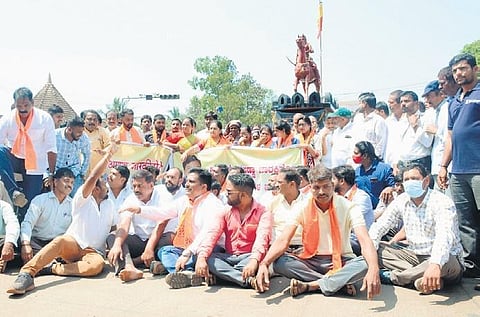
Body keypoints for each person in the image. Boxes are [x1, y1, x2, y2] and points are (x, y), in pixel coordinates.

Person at [254, 165, 381, 299]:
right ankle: (337, 283)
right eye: (316, 187)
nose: (321, 192)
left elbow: (365, 240)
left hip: (341, 259)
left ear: (333, 185)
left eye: (326, 186)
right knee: (280, 262)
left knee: (366, 264)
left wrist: (374, 268)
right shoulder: (302, 207)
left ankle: (312, 285)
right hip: (310, 260)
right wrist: (264, 263)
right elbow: (283, 239)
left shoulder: (348, 207)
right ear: (310, 187)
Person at [7, 144, 118, 295]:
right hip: (73, 245)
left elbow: (113, 229)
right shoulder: (81, 199)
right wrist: (108, 155)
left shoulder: (110, 204)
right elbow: (93, 177)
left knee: (95, 267)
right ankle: (26, 274)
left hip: (94, 252)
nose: (107, 185)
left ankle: (52, 268)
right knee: (60, 241)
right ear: (95, 188)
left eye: (72, 182)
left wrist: (114, 247)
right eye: (104, 183)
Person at [119, 168, 225, 289]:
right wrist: (139, 209)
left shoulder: (212, 204)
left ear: (203, 187)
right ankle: (188, 274)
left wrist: (187, 253)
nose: (187, 184)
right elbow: (162, 213)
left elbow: (205, 235)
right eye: (187, 181)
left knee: (200, 256)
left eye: (191, 182)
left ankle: (183, 271)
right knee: (165, 251)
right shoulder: (184, 201)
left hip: (206, 249)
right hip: (186, 248)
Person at [369, 163, 463, 294]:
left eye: (414, 178)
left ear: (426, 181)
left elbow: (444, 236)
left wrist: (435, 264)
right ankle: (423, 280)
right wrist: (371, 251)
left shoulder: (441, 202)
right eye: (406, 180)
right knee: (376, 249)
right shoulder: (402, 200)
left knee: (446, 260)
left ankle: (396, 278)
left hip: (445, 259)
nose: (410, 182)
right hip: (414, 256)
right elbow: (380, 226)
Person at [438, 53, 480, 279]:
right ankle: (473, 269)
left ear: (476, 69)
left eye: (463, 69)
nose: (459, 74)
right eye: (455, 71)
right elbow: (450, 137)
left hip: (478, 170)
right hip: (458, 171)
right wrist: (444, 166)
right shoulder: (454, 102)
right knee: (465, 221)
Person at [193, 173, 272, 289]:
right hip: (229, 257)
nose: (225, 195)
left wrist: (253, 261)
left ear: (243, 195)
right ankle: (245, 280)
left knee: (260, 261)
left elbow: (262, 240)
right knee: (202, 257)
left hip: (249, 257)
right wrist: (201, 258)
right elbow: (212, 234)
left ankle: (223, 276)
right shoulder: (225, 211)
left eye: (229, 192)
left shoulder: (264, 213)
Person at [107, 169, 173, 282]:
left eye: (140, 186)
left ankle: (139, 261)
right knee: (113, 237)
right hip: (140, 241)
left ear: (151, 185)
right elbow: (124, 223)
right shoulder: (131, 198)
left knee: (169, 239)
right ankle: (129, 267)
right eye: (134, 186)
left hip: (159, 240)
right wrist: (117, 245)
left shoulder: (163, 195)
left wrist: (149, 248)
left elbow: (161, 223)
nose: (136, 190)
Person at [0, 87, 57, 216]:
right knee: (0, 150)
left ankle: (23, 233)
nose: (23, 109)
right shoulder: (7, 119)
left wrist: (51, 173)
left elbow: (51, 148)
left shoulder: (45, 118)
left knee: (29, 203)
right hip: (14, 158)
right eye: (19, 105)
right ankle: (14, 191)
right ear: (15, 104)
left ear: (33, 103)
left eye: (26, 105)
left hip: (36, 164)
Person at [19, 168, 74, 264]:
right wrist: (26, 244)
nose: (69, 185)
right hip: (37, 242)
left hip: (57, 244)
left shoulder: (73, 205)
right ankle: (52, 263)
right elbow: (28, 222)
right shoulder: (40, 200)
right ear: (55, 182)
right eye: (66, 181)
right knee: (28, 248)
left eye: (72, 183)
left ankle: (47, 264)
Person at [332, 165, 374, 255]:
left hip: (359, 241)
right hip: (343, 237)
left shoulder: (361, 197)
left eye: (333, 179)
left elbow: (349, 222)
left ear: (342, 181)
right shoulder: (336, 197)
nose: (331, 183)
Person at [395, 91, 435, 175]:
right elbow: (398, 145)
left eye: (406, 101)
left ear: (416, 103)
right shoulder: (401, 122)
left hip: (420, 164)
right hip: (403, 165)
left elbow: (427, 143)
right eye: (401, 101)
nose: (403, 104)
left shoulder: (426, 118)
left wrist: (415, 127)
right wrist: (395, 163)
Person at [269, 168, 307, 250]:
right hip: (277, 249)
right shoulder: (272, 203)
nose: (276, 185)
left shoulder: (308, 203)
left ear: (292, 184)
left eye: (279, 182)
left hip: (301, 249)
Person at [55, 116, 91, 197]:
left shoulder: (84, 138)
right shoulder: (55, 136)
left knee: (77, 198)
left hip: (74, 172)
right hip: (56, 171)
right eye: (78, 132)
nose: (81, 134)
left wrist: (82, 173)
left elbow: (87, 155)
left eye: (82, 131)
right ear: (69, 129)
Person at [422, 80, 448, 191]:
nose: (427, 100)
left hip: (445, 164)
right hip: (437, 164)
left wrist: (436, 131)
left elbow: (449, 138)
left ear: (440, 94)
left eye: (429, 96)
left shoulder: (446, 109)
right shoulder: (435, 112)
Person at [353, 141, 395, 208]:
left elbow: (394, 186)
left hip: (381, 209)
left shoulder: (384, 169)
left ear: (365, 155)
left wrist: (390, 188)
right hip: (362, 210)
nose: (353, 156)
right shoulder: (357, 172)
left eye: (356, 153)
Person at [352, 92, 388, 160]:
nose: (358, 105)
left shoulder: (378, 120)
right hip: (357, 158)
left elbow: (381, 143)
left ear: (365, 104)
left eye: (359, 103)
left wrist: (375, 158)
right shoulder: (357, 118)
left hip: (370, 160)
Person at [82, 109, 111, 177]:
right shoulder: (80, 131)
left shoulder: (102, 131)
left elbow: (110, 145)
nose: (92, 121)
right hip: (82, 172)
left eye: (95, 120)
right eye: (89, 119)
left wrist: (104, 151)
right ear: (84, 120)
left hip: (98, 171)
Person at [384, 90, 408, 167]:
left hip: (405, 163)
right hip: (389, 163)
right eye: (389, 102)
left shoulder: (409, 120)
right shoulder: (387, 122)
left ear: (400, 103)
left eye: (391, 103)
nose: (389, 105)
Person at [0, 200, 20, 273]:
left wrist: (8, 244)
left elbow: (12, 223)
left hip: (1, 244)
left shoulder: (3, 205)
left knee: (19, 242)